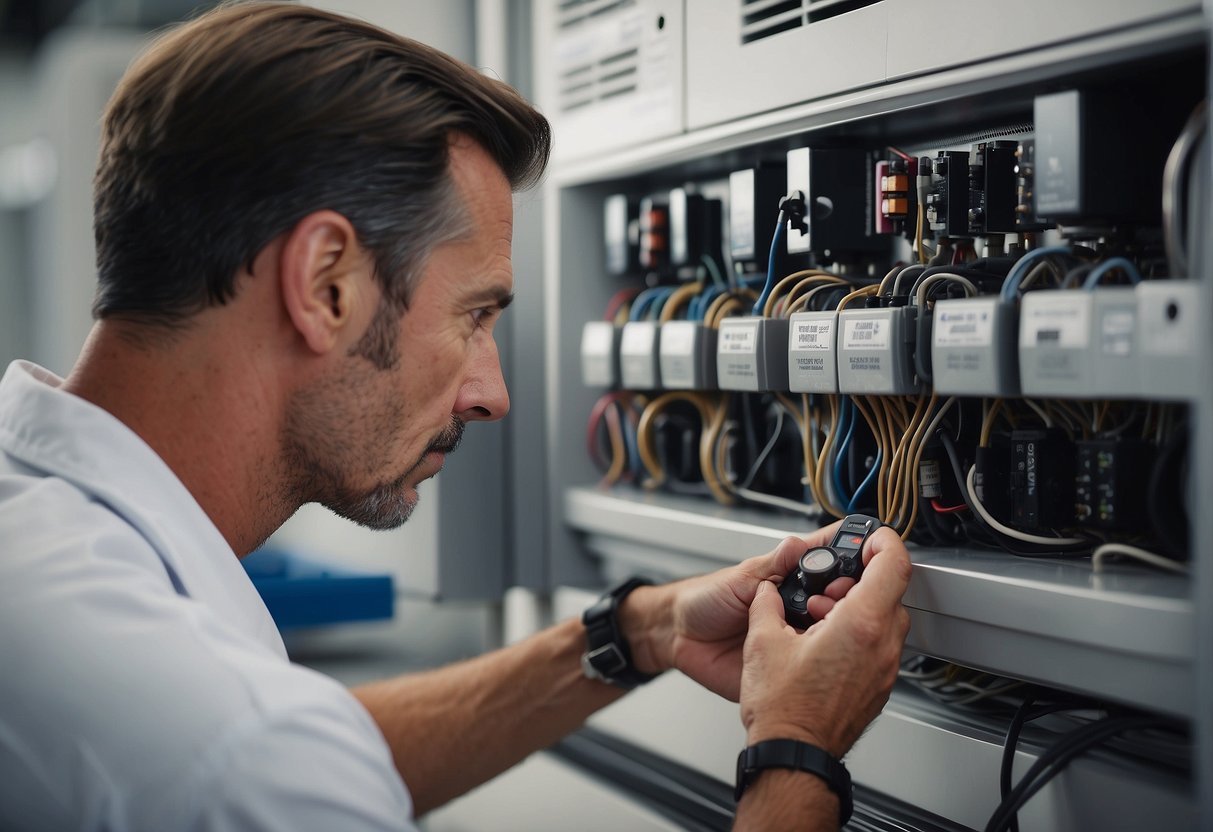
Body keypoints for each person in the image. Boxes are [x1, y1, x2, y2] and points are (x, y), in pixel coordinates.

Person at [0, 3, 912, 830]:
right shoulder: (213, 745)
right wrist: (796, 744)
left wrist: (640, 631)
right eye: (474, 316)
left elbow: (305, 754)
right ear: (325, 284)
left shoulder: (41, 537)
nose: (492, 393)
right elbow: (256, 762)